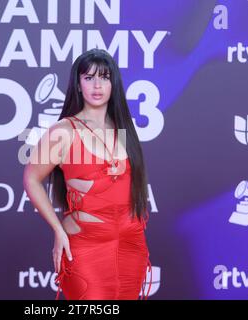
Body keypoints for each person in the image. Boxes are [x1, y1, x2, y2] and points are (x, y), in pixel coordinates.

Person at [23, 48, 152, 300]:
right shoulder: (64, 130)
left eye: (104, 77)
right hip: (85, 246)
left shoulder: (123, 128)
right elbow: (31, 178)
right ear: (78, 84)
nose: (97, 85)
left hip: (130, 245)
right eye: (89, 77)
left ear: (113, 84)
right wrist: (57, 229)